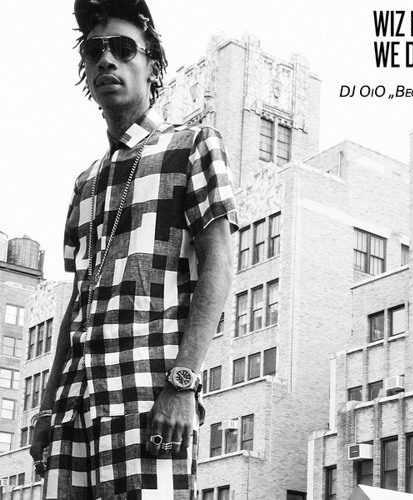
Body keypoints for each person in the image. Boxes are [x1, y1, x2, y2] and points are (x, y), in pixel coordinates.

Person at [29, 1, 238, 498]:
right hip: (74, 410)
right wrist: (46, 407)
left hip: (148, 402)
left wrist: (183, 383)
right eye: (93, 51)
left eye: (123, 48)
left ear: (152, 65)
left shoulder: (192, 146)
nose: (106, 60)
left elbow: (219, 266)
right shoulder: (85, 183)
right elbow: (76, 304)